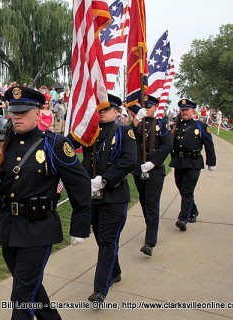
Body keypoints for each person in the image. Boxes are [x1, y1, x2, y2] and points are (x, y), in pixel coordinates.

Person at [0, 86, 91, 320]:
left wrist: (80, 224)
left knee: (22, 297)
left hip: (38, 230)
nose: (17, 116)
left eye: (24, 111)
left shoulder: (54, 145)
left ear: (38, 113)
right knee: (32, 291)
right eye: (14, 111)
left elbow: (80, 184)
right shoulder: (1, 146)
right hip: (8, 229)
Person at [68, 94, 136, 304]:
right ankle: (114, 271)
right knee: (102, 240)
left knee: (107, 241)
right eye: (99, 110)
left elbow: (128, 161)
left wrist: (104, 180)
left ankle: (100, 290)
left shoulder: (125, 132)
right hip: (92, 198)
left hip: (114, 196)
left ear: (116, 112)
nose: (102, 113)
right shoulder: (89, 133)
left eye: (106, 110)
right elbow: (69, 147)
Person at [131, 95, 173, 256]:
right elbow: (128, 136)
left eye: (149, 106)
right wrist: (136, 120)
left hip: (154, 170)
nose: (147, 108)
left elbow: (167, 145)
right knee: (143, 201)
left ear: (155, 107)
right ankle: (151, 227)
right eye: (144, 106)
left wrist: (153, 162)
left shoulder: (161, 124)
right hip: (139, 169)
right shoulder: (137, 123)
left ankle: (150, 241)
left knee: (152, 202)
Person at [170, 99, 216, 231]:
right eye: (182, 110)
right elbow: (170, 144)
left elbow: (209, 145)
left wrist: (211, 162)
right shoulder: (176, 126)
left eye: (186, 110)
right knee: (181, 188)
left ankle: (183, 218)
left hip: (194, 163)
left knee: (187, 190)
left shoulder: (200, 126)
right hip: (179, 162)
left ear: (193, 111)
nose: (184, 112)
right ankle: (193, 210)